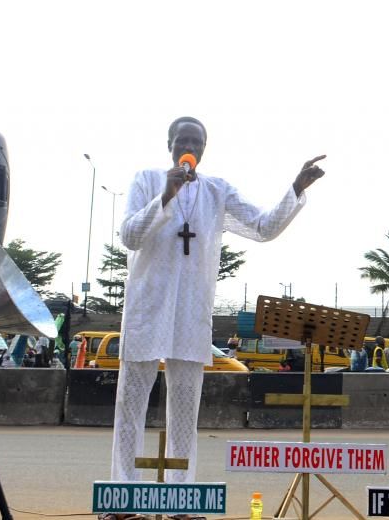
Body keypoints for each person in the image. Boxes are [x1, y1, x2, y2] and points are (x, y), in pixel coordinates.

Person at [109, 116, 325, 486]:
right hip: (148, 309)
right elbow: (129, 236)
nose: (189, 148)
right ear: (169, 144)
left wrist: (295, 188)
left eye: (197, 142)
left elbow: (263, 227)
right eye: (182, 141)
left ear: (204, 150)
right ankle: (123, 491)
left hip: (191, 314)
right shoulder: (146, 180)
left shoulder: (217, 192)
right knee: (130, 406)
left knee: (185, 411)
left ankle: (182, 496)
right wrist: (165, 196)